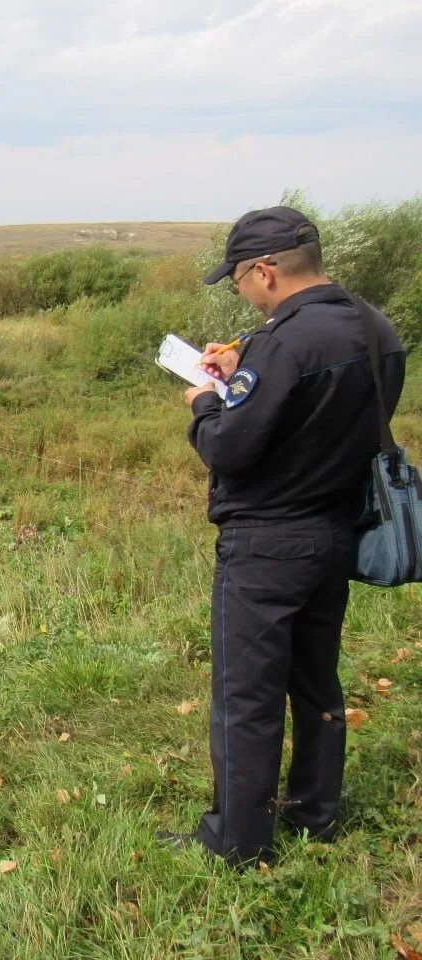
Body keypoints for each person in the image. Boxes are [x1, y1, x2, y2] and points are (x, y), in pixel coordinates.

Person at [168, 206, 406, 866]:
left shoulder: (286, 345)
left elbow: (231, 448)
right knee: (316, 683)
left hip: (266, 544)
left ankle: (238, 841)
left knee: (246, 697)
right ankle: (314, 815)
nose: (240, 293)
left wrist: (207, 403)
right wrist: (248, 371)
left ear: (264, 272)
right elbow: (328, 415)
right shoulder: (373, 325)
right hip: (335, 533)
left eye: (238, 281)